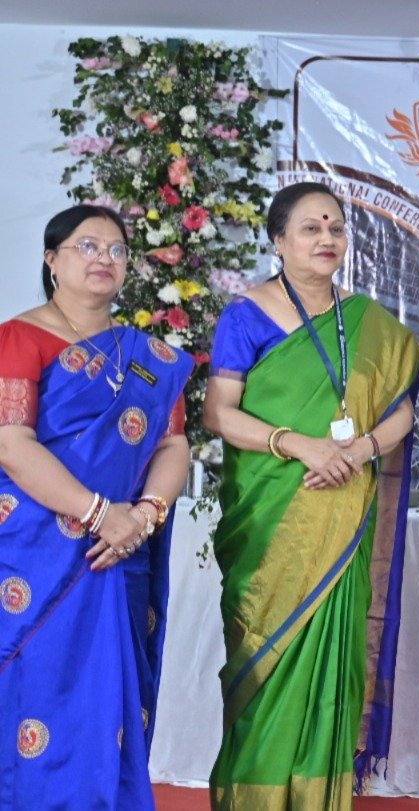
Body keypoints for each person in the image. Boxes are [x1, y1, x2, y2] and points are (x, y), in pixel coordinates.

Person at [204, 182, 419, 808]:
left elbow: (401, 411)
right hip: (273, 512)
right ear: (278, 241)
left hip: (344, 508)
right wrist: (299, 445)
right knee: (265, 665)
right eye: (310, 228)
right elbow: (219, 413)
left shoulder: (370, 322)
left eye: (335, 228)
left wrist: (357, 451)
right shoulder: (246, 315)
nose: (327, 238)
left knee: (334, 665)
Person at [0, 205, 193, 808]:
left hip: (120, 553)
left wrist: (145, 514)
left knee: (106, 706)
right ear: (51, 260)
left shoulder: (152, 358)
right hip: (36, 554)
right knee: (34, 693)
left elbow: (174, 445)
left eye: (116, 250)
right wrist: (100, 513)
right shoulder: (19, 339)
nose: (103, 259)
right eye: (86, 246)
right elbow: (11, 444)